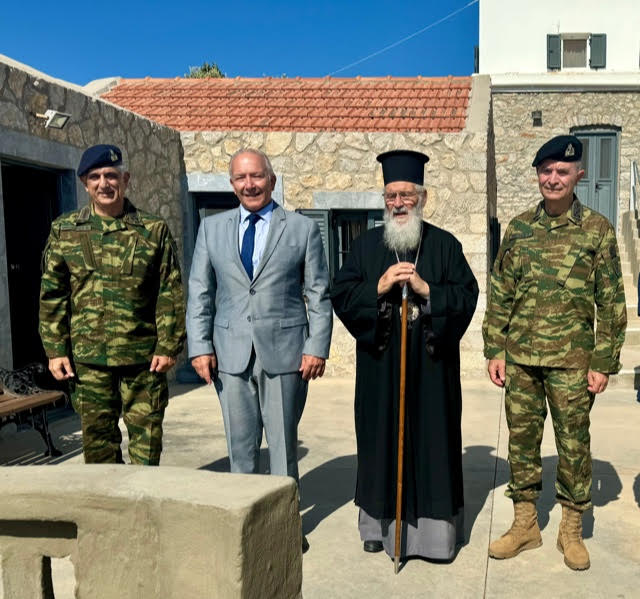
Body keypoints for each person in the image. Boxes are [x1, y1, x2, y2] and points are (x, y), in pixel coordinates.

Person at [483, 135, 627, 570]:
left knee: (573, 446)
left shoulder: (597, 230)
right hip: (521, 359)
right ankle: (525, 524)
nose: (553, 178)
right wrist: (495, 347)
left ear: (578, 175)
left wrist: (603, 361)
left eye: (562, 171)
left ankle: (571, 529)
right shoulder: (519, 228)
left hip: (572, 363)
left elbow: (611, 302)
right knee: (522, 444)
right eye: (545, 171)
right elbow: (501, 291)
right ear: (537, 176)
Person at [331, 150, 478, 562]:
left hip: (432, 372)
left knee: (433, 445)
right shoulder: (365, 246)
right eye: (391, 196)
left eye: (406, 195)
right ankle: (376, 527)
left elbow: (467, 296)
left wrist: (430, 292)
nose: (398, 203)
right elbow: (340, 293)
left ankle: (434, 539)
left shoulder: (445, 245)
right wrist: (376, 288)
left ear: (422, 197)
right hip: (380, 370)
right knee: (379, 444)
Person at [187, 148, 332, 486]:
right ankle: (245, 516)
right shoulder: (211, 229)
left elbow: (318, 293)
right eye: (241, 177)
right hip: (229, 355)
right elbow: (200, 292)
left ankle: (284, 518)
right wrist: (200, 347)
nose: (249, 184)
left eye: (256, 176)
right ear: (232, 184)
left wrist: (316, 347)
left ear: (272, 180)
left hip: (286, 354)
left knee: (283, 451)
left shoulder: (302, 229)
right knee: (240, 452)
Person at [39, 144, 186, 465]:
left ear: (125, 179)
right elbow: (53, 293)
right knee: (99, 451)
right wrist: (55, 350)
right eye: (95, 177)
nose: (104, 183)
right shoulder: (66, 230)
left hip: (144, 360)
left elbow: (169, 291)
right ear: (84, 183)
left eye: (111, 175)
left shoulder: (152, 230)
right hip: (89, 361)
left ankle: (143, 499)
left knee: (147, 451)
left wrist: (168, 346)